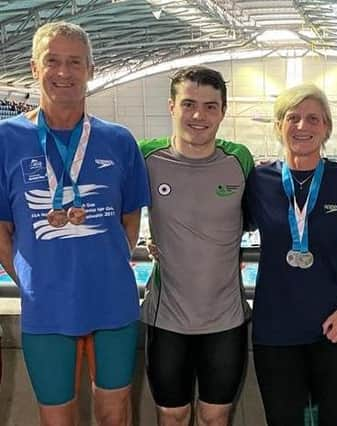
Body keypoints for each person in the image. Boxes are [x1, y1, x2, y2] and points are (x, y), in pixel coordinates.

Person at [0, 22, 149, 425]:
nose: (63, 72)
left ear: (91, 69)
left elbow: (130, 219)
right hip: (46, 306)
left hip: (113, 300)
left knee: (115, 414)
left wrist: (105, 264)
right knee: (57, 418)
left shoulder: (119, 140)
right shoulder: (6, 139)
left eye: (74, 62)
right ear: (34, 68)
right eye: (53, 61)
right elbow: (1, 230)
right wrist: (35, 279)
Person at [138, 66, 253, 426]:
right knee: (172, 416)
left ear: (223, 111)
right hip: (166, 318)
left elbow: (255, 219)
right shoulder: (146, 157)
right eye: (188, 104)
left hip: (226, 319)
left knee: (215, 417)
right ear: (171, 107)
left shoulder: (240, 160)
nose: (198, 116)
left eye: (210, 106)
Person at [244, 84, 337, 426]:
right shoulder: (258, 181)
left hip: (335, 327)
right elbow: (222, 230)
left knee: (336, 419)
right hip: (275, 329)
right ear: (278, 125)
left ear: (326, 127)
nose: (302, 126)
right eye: (292, 117)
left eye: (313, 118)